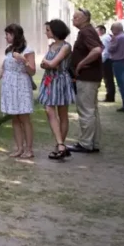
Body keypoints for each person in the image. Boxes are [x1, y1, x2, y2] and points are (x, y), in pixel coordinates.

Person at [0, 24, 36, 159]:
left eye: (8, 34)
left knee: (24, 117)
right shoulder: (8, 51)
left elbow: (32, 71)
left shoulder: (28, 50)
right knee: (14, 118)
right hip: (9, 86)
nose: (6, 37)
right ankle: (19, 148)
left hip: (21, 85)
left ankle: (29, 149)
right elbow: (3, 69)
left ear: (15, 35)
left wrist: (23, 60)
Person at [68, 8, 103, 154]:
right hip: (90, 76)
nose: (73, 19)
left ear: (85, 18)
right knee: (92, 110)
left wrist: (81, 64)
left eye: (76, 17)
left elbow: (96, 50)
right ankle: (92, 142)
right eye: (73, 17)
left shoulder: (86, 32)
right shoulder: (88, 31)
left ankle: (85, 143)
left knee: (86, 110)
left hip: (87, 77)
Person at [40, 20, 76, 160]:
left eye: (48, 30)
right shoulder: (52, 45)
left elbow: (53, 63)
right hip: (50, 81)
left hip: (61, 81)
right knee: (49, 110)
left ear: (55, 31)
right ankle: (61, 144)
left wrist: (48, 64)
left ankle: (60, 145)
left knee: (62, 113)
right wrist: (48, 64)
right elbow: (45, 64)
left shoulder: (66, 46)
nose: (46, 32)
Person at [99, 25, 115, 103]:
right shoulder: (106, 37)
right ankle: (110, 96)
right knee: (108, 79)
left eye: (97, 30)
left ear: (102, 30)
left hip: (106, 61)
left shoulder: (104, 38)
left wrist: (101, 61)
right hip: (108, 60)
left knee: (108, 79)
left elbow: (105, 51)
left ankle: (110, 97)